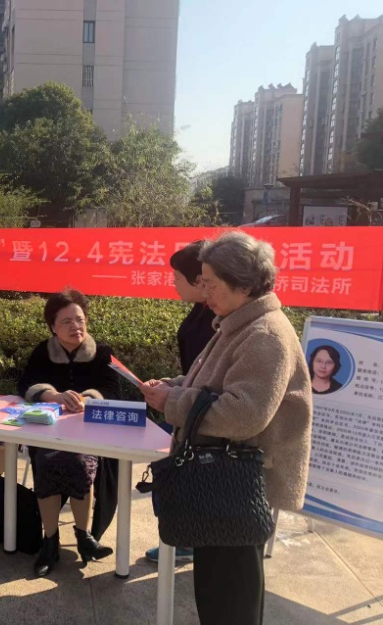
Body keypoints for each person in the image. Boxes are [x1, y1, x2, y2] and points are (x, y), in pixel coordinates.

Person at [141, 231, 313, 625]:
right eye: (201, 281)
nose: (204, 292)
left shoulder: (265, 335)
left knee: (231, 598)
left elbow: (243, 414)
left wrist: (174, 401)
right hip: (223, 479)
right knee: (218, 591)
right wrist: (174, 387)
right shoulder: (240, 323)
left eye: (211, 283)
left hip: (238, 483)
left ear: (245, 285)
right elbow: (213, 384)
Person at [18, 289, 119, 576]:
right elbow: (25, 384)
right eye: (67, 321)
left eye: (80, 319)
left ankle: (83, 536)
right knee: (47, 461)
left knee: (79, 462)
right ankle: (50, 542)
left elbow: (113, 390)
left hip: (89, 434)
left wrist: (87, 399)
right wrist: (52, 395)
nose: (76, 326)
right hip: (49, 432)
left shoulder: (102, 353)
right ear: (53, 326)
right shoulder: (43, 351)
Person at [145, 240, 216, 565]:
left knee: (177, 472)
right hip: (186, 404)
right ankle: (180, 536)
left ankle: (185, 539)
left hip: (200, 413)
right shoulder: (201, 310)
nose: (173, 282)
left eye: (177, 277)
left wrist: (176, 394)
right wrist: (172, 384)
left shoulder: (220, 318)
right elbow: (196, 369)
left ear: (200, 280)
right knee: (170, 471)